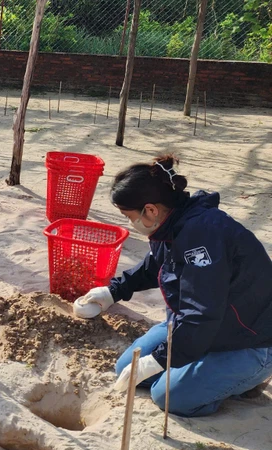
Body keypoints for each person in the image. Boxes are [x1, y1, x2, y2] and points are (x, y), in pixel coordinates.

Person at [75, 155, 272, 417]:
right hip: (204, 327)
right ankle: (202, 368)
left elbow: (201, 315)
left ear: (151, 210)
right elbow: (156, 265)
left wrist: (158, 359)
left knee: (168, 396)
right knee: (126, 366)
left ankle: (248, 378)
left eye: (128, 215)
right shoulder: (170, 224)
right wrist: (113, 291)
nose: (128, 222)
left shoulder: (202, 235)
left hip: (247, 339)